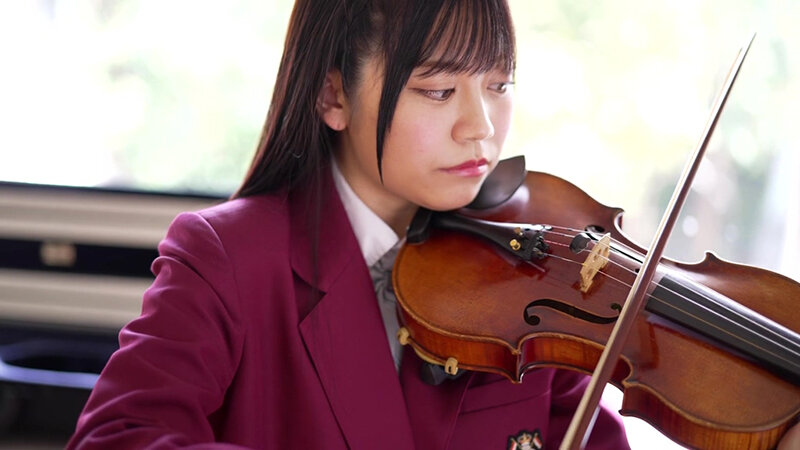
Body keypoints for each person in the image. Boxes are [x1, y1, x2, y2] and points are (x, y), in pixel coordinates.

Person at [66, 0, 799, 449]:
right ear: (333, 95)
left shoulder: (530, 277)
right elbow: (117, 439)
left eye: (499, 84)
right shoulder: (227, 256)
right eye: (440, 90)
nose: (481, 127)